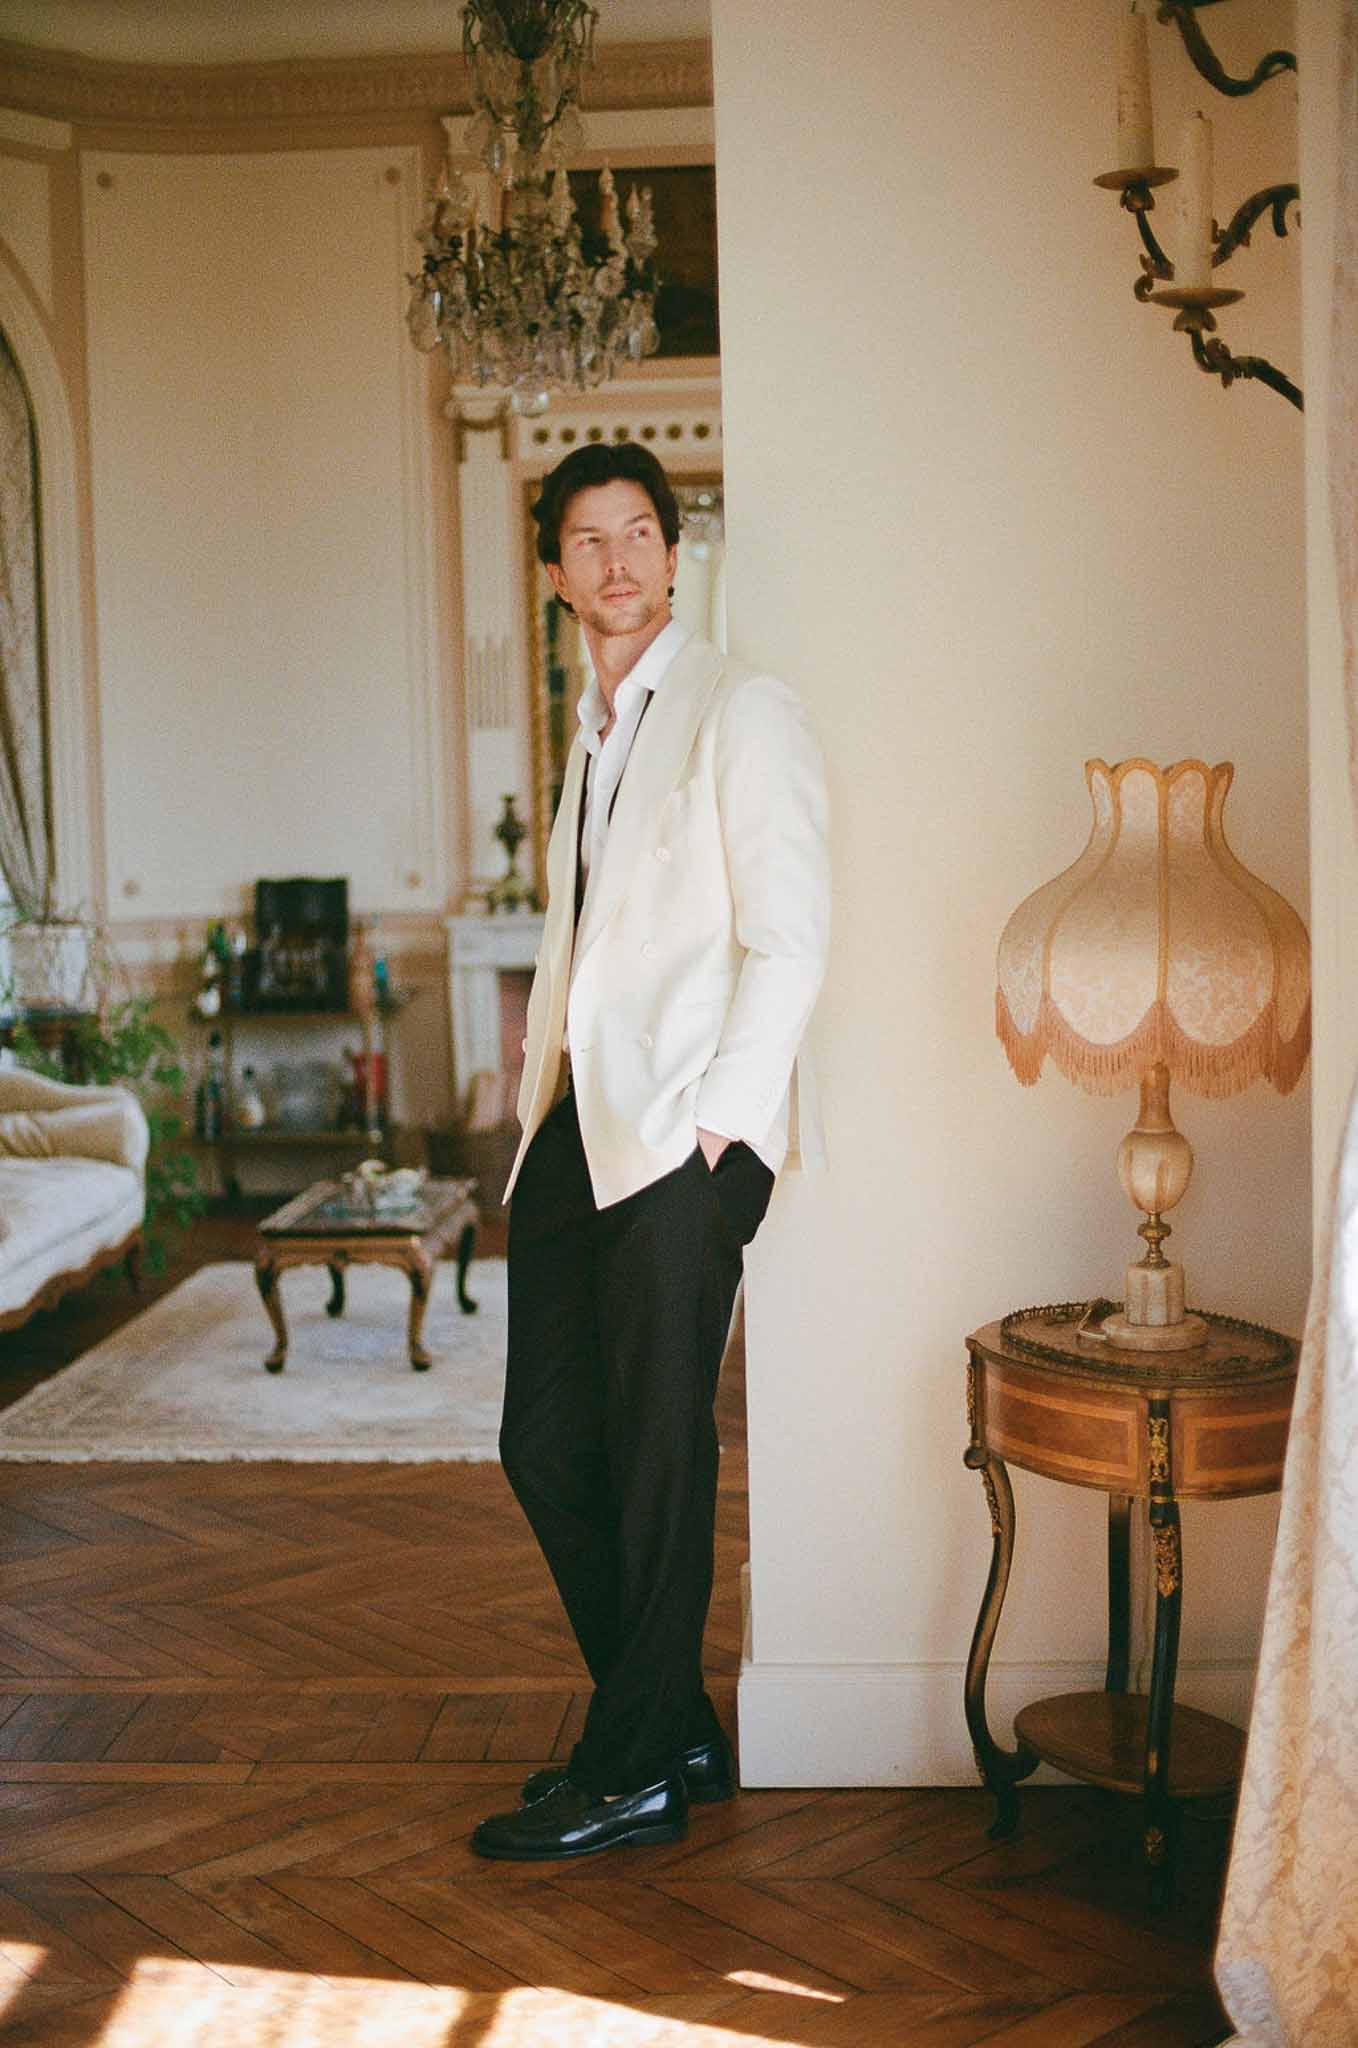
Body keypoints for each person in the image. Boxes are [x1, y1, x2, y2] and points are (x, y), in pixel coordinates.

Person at [471, 442, 830, 1862]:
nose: (617, 562)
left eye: (640, 535)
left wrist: (712, 1127)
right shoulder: (597, 729)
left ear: (674, 557)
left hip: (682, 1129)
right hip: (577, 1122)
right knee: (547, 1440)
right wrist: (536, 1083)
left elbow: (790, 934)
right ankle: (670, 1720)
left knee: (656, 1449)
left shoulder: (742, 710)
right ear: (554, 574)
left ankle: (628, 1768)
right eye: (587, 540)